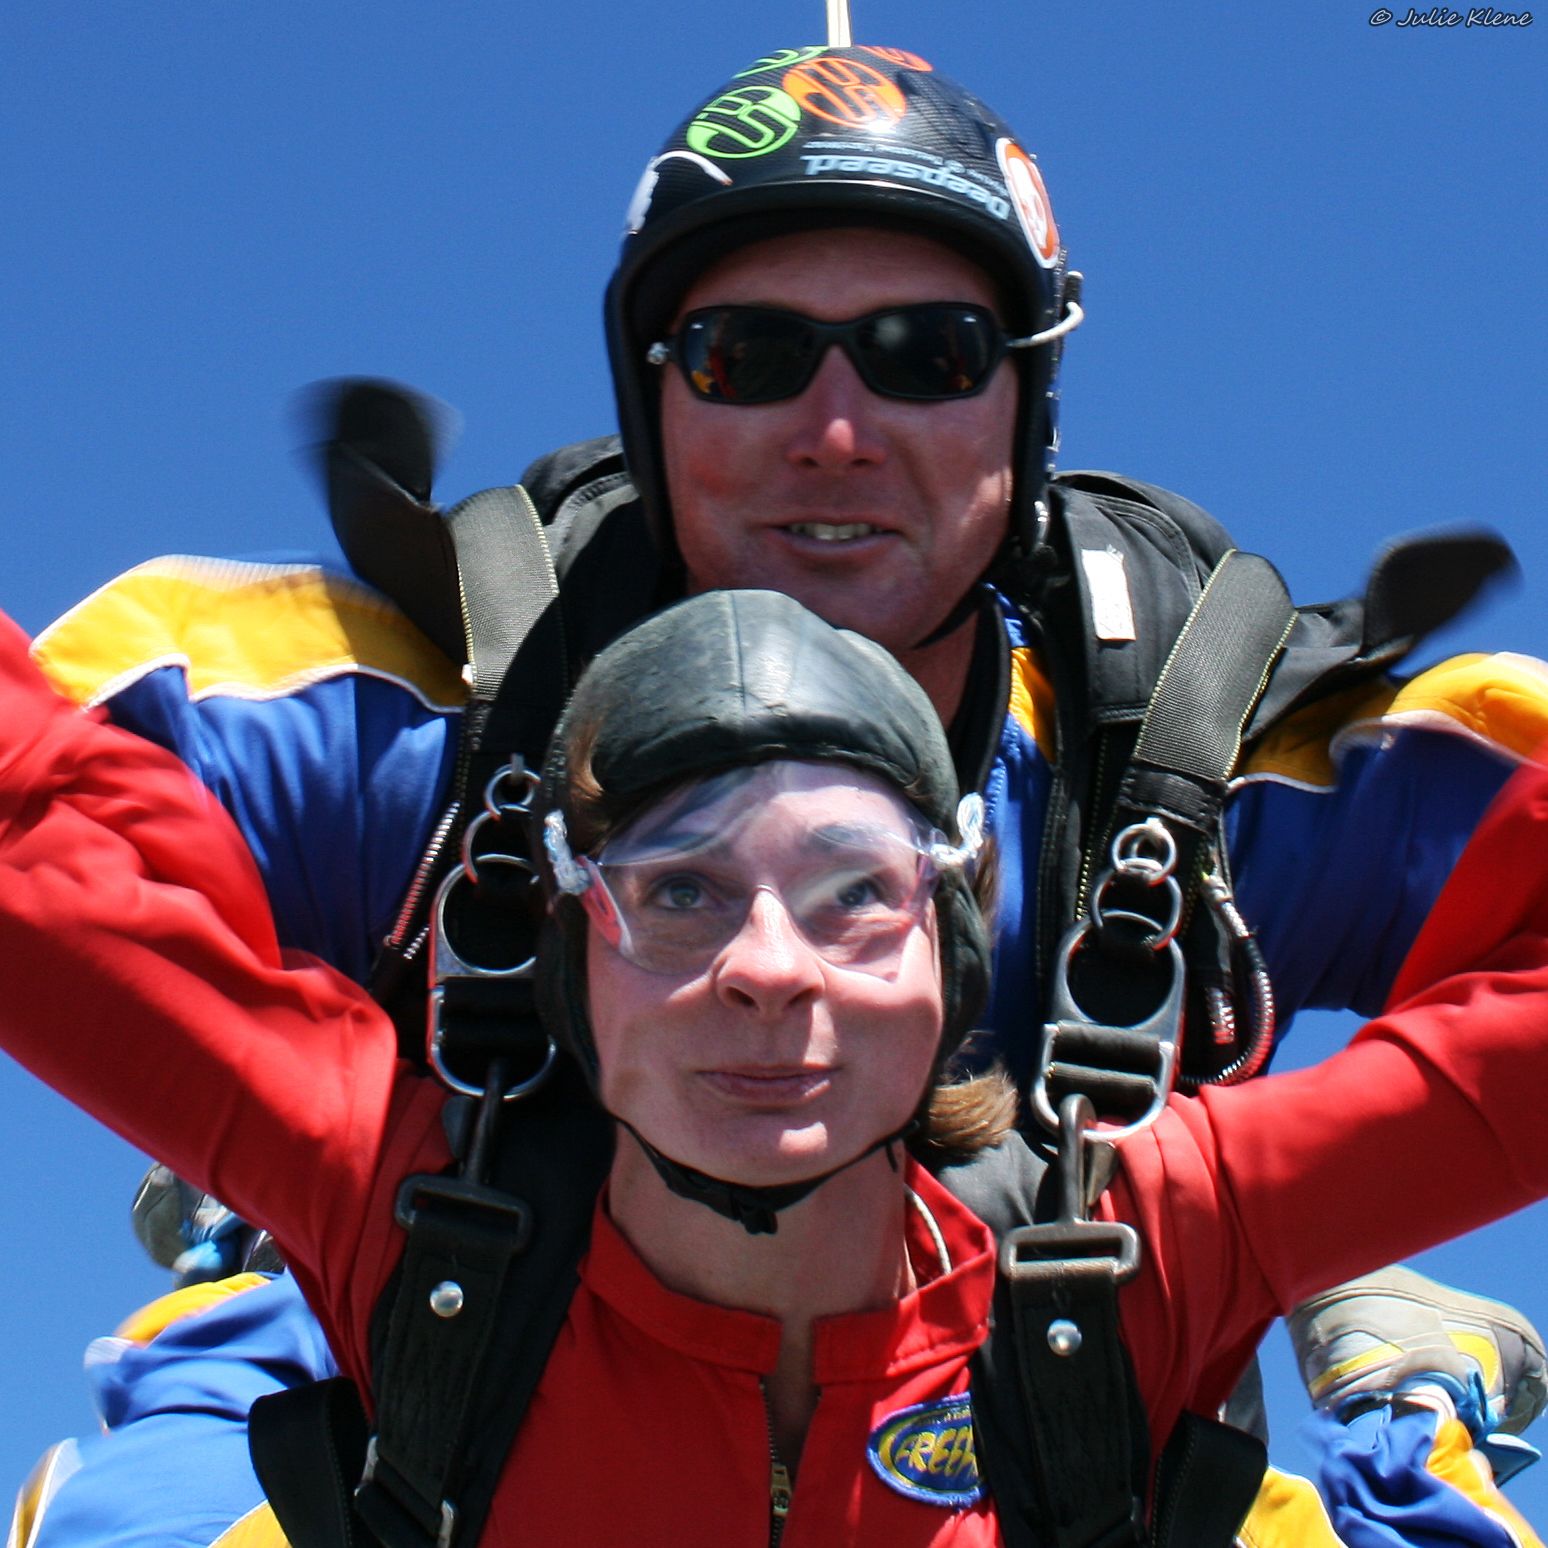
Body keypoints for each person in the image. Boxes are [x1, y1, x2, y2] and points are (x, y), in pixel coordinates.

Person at [16, 39, 1548, 1548]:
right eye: (746, 357)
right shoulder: (418, 730)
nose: (835, 435)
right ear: (653, 402)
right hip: (450, 1333)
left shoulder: (1170, 783)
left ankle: (1412, 1396)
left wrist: (1290, 1195)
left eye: (929, 355)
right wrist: (277, 1120)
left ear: (1027, 403)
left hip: (1066, 1404)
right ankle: (249, 1245)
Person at [4, 587, 1548, 1548]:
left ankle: (1410, 1401)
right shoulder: (398, 1201)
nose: (768, 967)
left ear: (954, 947)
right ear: (570, 957)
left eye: (853, 889)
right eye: (678, 888)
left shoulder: (1140, 1247)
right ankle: (247, 1259)